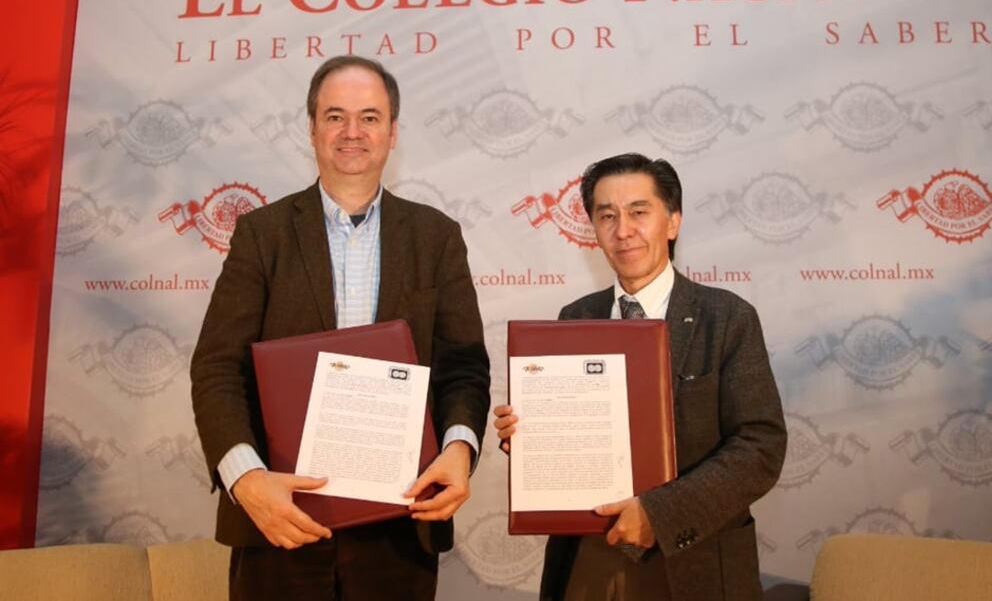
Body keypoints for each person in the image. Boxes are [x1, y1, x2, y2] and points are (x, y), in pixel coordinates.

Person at [191, 55, 490, 601]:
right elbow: (216, 369)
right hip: (280, 522)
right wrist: (247, 481)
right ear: (311, 129)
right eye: (335, 116)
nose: (353, 132)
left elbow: (464, 367)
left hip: (401, 526)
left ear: (393, 132)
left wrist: (459, 450)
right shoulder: (263, 234)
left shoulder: (436, 236)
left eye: (370, 117)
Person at [493, 153, 786, 600]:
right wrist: (532, 436)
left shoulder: (726, 318)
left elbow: (760, 448)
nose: (622, 230)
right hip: (587, 563)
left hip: (694, 564)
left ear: (672, 222)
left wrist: (659, 514)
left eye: (638, 212)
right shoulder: (575, 318)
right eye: (606, 215)